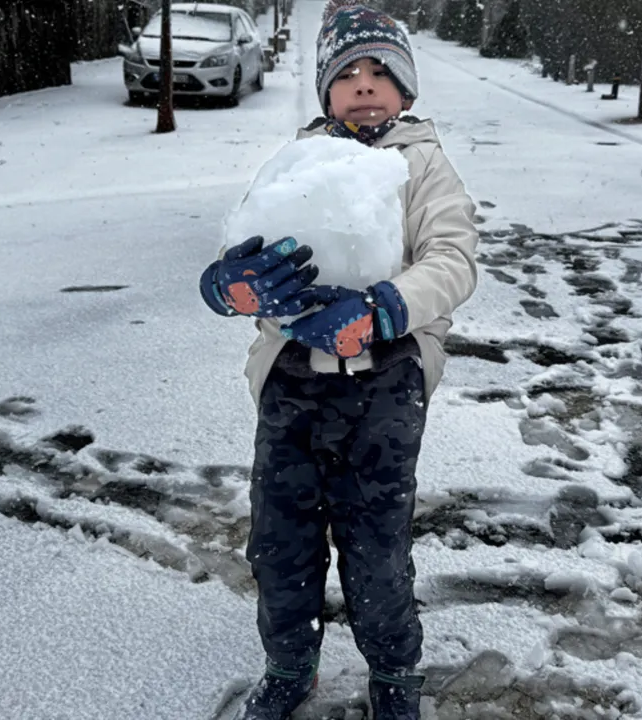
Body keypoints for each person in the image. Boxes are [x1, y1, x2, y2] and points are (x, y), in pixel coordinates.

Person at [197, 2, 478, 718]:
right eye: (347, 73)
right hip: (292, 383)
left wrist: (383, 310)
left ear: (406, 90)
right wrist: (230, 283)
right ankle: (291, 664)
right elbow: (252, 249)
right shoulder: (299, 163)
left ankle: (394, 675)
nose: (363, 85)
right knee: (280, 541)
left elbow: (452, 260)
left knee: (375, 545)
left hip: (386, 386)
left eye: (380, 72)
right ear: (325, 89)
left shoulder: (423, 165)